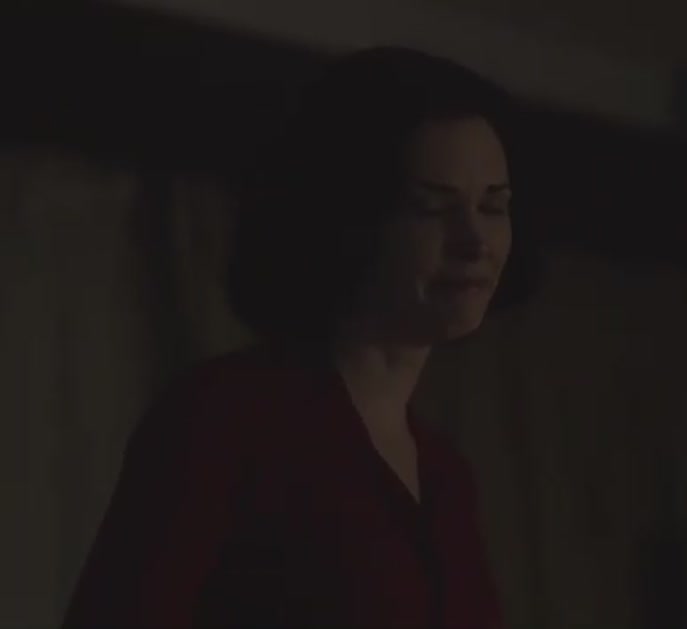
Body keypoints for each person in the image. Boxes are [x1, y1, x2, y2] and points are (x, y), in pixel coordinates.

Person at [63, 46, 534, 628]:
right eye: (431, 208)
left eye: (493, 206)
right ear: (350, 220)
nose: (475, 241)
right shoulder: (224, 418)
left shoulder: (447, 475)